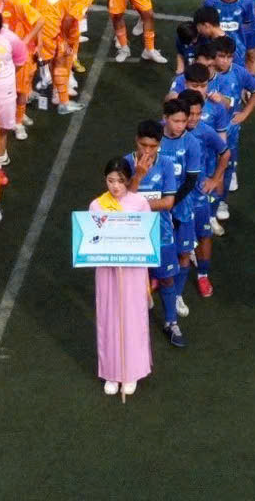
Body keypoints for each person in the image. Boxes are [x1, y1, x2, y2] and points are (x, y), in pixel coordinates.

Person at [90, 158, 154, 397]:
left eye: (120, 181)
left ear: (128, 180)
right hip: (107, 269)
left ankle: (132, 371)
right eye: (110, 180)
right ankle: (111, 372)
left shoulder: (139, 203)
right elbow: (91, 238)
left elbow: (148, 236)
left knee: (132, 317)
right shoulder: (97, 205)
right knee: (108, 317)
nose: (115, 186)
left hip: (133, 270)